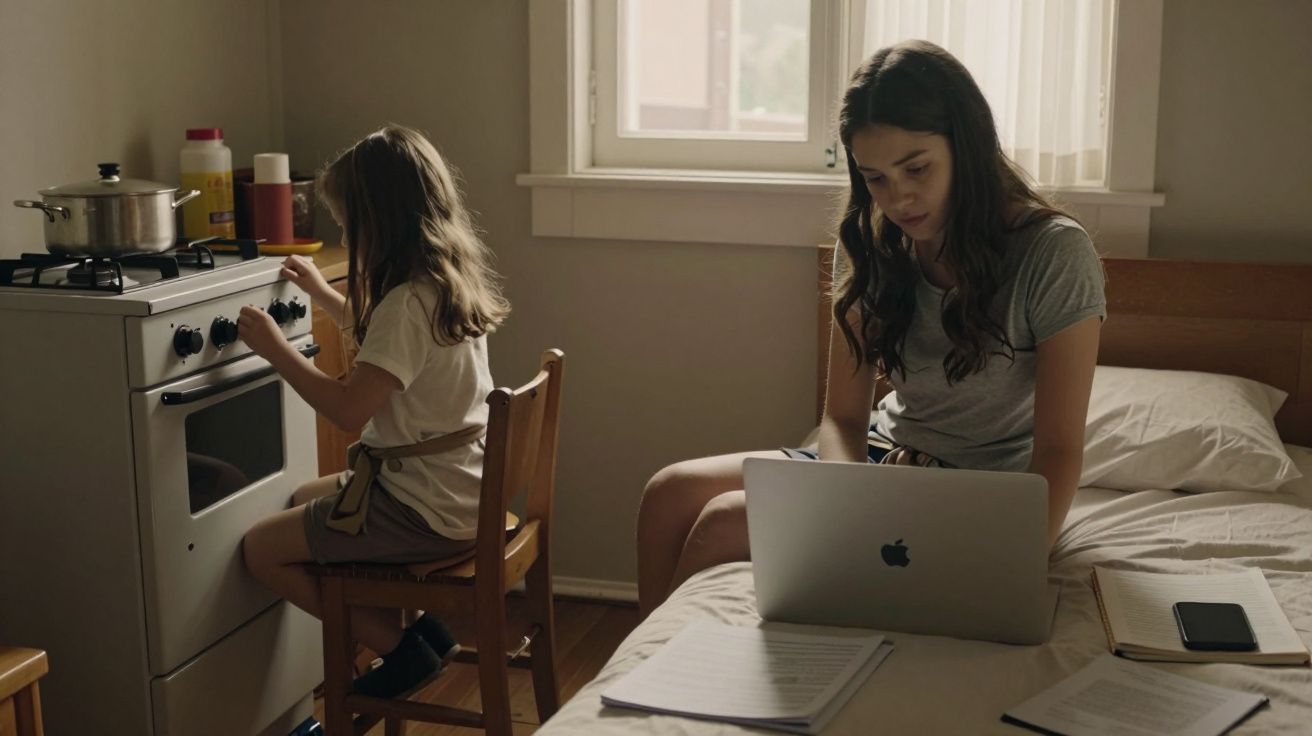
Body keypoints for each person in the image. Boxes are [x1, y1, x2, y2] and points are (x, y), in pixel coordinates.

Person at [636, 40, 1106, 617]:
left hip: (986, 488)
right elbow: (844, 417)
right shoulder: (870, 241)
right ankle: (645, 676)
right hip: (882, 460)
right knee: (667, 493)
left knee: (723, 522)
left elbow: (1059, 450)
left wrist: (1015, 558)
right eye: (876, 177)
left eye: (917, 168)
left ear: (969, 146)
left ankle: (673, 683)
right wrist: (853, 499)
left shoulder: (1053, 252)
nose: (899, 196)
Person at [240, 124, 511, 697]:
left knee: (261, 550)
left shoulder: (405, 305)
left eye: (346, 223)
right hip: (463, 494)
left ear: (377, 222)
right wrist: (322, 293)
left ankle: (400, 649)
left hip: (421, 508)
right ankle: (425, 634)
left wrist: (275, 350)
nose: (343, 231)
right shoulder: (442, 285)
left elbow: (347, 409)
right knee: (302, 501)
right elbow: (393, 355)